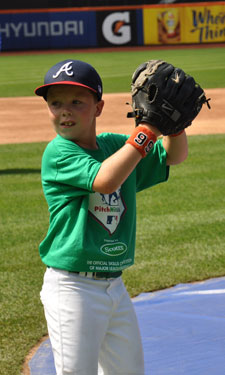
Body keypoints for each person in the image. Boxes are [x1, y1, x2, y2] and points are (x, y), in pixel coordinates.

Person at [35, 59, 188, 375]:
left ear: (98, 107)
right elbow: (105, 179)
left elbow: (173, 156)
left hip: (113, 286)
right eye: (55, 103)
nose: (65, 110)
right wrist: (147, 129)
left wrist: (175, 123)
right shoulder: (59, 152)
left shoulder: (116, 146)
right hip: (72, 288)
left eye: (77, 102)